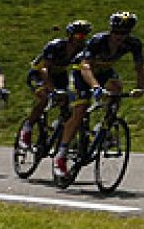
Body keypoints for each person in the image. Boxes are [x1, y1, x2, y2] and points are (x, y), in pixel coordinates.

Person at [62, 12, 144, 177]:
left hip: (105, 71)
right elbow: (85, 66)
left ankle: (106, 127)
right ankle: (61, 154)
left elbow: (140, 67)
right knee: (80, 110)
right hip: (82, 73)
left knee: (117, 88)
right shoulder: (98, 40)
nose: (119, 36)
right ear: (111, 30)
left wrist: (140, 88)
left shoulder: (133, 43)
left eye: (124, 33)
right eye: (116, 32)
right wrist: (95, 87)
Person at [20, 20, 91, 149]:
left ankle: (59, 128)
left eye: (84, 36)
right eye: (78, 35)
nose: (81, 38)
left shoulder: (82, 49)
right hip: (39, 73)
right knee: (44, 97)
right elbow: (44, 69)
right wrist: (52, 89)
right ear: (70, 36)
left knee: (68, 103)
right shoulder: (56, 46)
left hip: (59, 74)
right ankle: (27, 127)